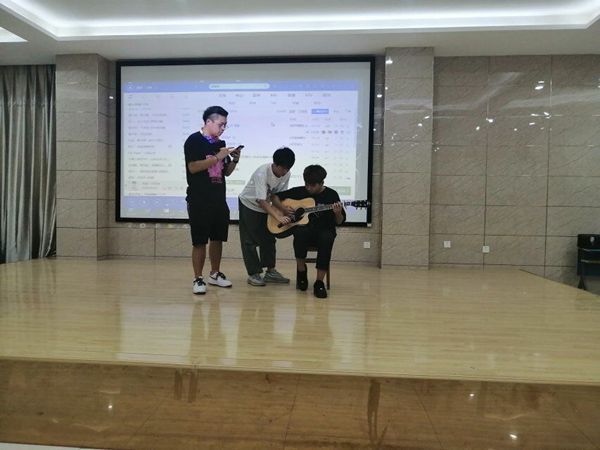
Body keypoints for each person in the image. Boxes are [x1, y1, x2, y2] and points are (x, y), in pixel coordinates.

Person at [184, 106, 241, 295]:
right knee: (199, 241)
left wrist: (234, 160)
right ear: (208, 122)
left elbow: (225, 173)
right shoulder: (194, 140)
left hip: (218, 199)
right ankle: (198, 278)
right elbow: (193, 167)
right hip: (199, 199)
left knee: (217, 238)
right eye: (220, 124)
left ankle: (215, 274)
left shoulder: (220, 143)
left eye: (225, 125)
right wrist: (217, 157)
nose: (223, 128)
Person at [272, 165, 345, 299]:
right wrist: (283, 209)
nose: (309, 188)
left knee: (327, 238)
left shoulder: (331, 195)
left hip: (324, 231)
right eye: (307, 184)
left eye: (313, 185)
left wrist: (338, 213)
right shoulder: (299, 191)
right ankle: (301, 271)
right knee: (300, 232)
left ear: (322, 183)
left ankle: (319, 283)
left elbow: (339, 221)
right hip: (305, 231)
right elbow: (274, 197)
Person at [238, 147, 296, 286]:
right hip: (250, 204)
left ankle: (270, 271)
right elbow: (261, 200)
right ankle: (253, 274)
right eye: (282, 169)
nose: (284, 172)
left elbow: (277, 196)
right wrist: (278, 216)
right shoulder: (262, 172)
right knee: (249, 241)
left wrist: (283, 209)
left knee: (269, 238)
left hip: (266, 206)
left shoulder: (286, 173)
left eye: (287, 169)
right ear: (275, 164)